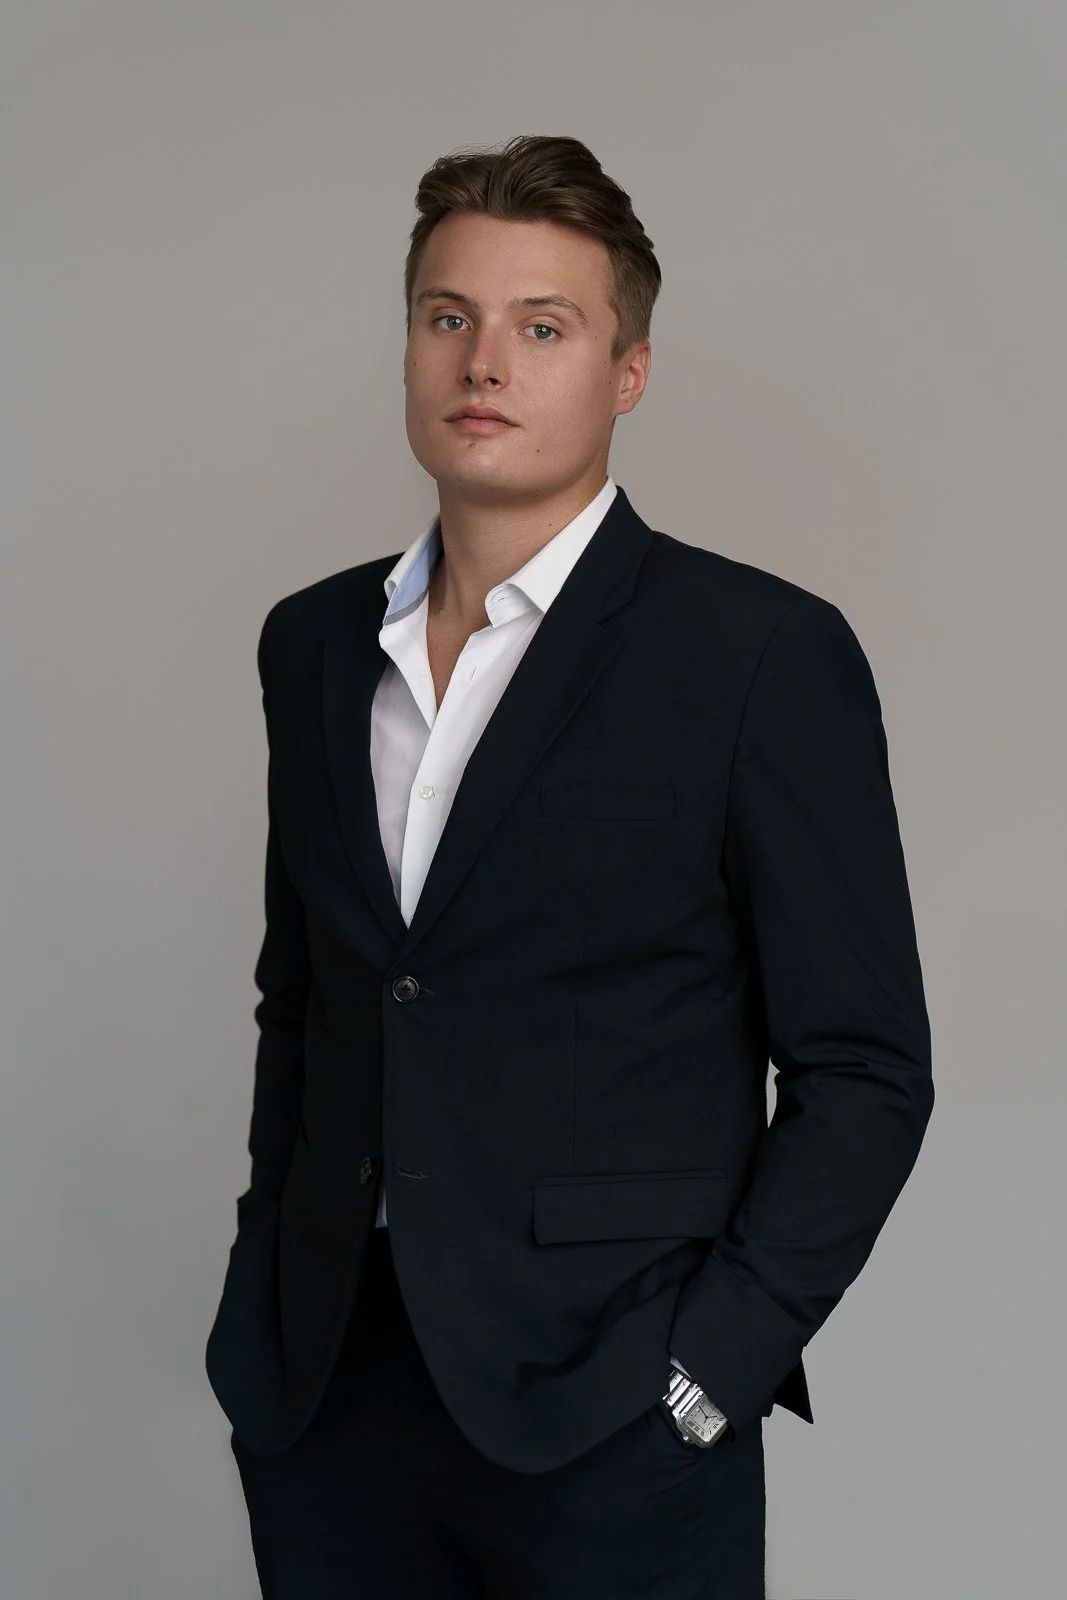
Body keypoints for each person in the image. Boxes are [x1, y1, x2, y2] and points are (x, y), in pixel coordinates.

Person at [205, 133, 934, 1599]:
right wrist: (262, 1305)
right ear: (409, 343)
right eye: (447, 318)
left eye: (544, 327)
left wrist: (711, 1370)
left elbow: (863, 1067)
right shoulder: (312, 642)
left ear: (627, 371)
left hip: (612, 1402)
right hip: (330, 1393)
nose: (485, 360)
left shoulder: (753, 657)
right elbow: (314, 1001)